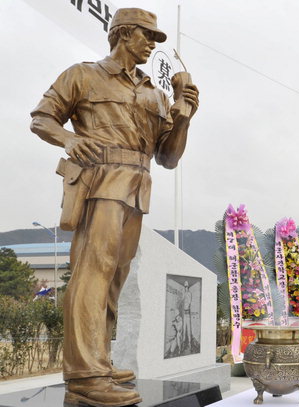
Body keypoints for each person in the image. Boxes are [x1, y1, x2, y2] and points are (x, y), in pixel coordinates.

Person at [30, 8, 199, 407]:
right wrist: (69, 140)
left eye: (156, 39)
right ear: (123, 33)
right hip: (99, 181)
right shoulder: (83, 74)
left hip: (138, 186)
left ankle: (100, 362)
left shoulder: (154, 94)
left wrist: (185, 112)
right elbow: (41, 118)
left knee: (114, 278)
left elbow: (169, 158)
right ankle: (85, 375)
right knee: (94, 271)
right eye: (147, 36)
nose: (152, 45)